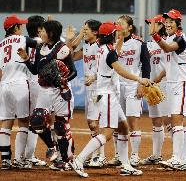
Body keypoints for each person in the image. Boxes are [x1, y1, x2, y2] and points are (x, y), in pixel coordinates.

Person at [68, 21, 152, 177]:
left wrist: (119, 39)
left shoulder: (102, 48)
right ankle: (79, 160)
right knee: (107, 134)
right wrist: (139, 80)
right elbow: (120, 70)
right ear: (111, 35)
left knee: (124, 127)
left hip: (104, 94)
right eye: (115, 32)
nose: (117, 33)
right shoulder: (109, 51)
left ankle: (126, 165)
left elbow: (116, 52)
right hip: (107, 96)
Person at [17, 20, 77, 170]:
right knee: (37, 121)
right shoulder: (39, 48)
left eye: (43, 30)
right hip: (44, 89)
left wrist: (65, 80)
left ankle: (67, 159)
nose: (40, 33)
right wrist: (25, 58)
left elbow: (74, 71)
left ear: (50, 33)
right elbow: (35, 71)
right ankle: (52, 147)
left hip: (60, 90)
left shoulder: (63, 49)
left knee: (61, 126)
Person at [149, 9, 186, 170]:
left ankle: (177, 158)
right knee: (176, 121)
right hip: (171, 83)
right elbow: (168, 64)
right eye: (166, 21)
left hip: (180, 83)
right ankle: (183, 159)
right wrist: (156, 79)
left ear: (178, 23)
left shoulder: (180, 38)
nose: (167, 23)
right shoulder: (169, 37)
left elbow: (167, 49)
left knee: (176, 120)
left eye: (171, 21)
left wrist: (155, 36)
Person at [108, 15, 150, 167]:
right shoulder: (112, 43)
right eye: (116, 23)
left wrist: (143, 84)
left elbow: (146, 65)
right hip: (116, 86)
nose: (118, 25)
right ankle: (119, 155)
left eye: (121, 23)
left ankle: (135, 155)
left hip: (133, 85)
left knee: (132, 121)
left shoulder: (139, 43)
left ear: (130, 27)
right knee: (118, 122)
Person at [0, 14, 40, 169]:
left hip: (4, 85)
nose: (22, 28)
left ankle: (5, 159)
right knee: (24, 121)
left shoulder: (1, 44)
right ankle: (19, 159)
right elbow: (38, 42)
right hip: (19, 83)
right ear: (15, 28)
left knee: (6, 123)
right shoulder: (21, 39)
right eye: (20, 26)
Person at [68, 19, 108, 167]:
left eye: (86, 30)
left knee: (94, 122)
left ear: (96, 32)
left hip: (99, 88)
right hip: (89, 88)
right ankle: (95, 154)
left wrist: (95, 77)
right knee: (91, 122)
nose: (84, 32)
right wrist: (76, 36)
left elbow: (106, 67)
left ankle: (100, 156)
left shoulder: (101, 46)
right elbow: (70, 54)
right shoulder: (86, 45)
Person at [140, 15, 170, 165]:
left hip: (165, 84)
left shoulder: (168, 41)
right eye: (149, 24)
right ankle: (156, 155)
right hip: (152, 85)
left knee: (169, 121)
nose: (150, 26)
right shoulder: (149, 44)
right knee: (156, 121)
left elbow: (172, 65)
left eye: (153, 23)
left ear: (161, 25)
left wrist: (159, 77)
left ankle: (180, 155)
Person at [24, 15, 47, 168]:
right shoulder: (41, 43)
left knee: (23, 122)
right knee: (36, 121)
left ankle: (22, 156)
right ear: (39, 29)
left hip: (22, 82)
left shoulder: (22, 41)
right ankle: (28, 157)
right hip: (36, 84)